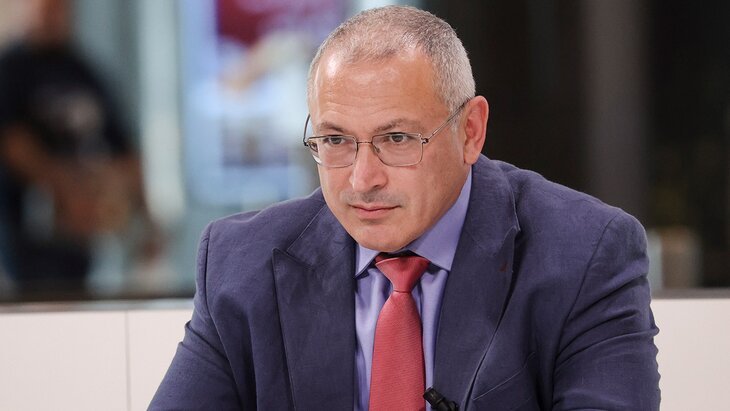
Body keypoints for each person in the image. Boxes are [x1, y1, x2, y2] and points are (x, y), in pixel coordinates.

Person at [151, 5, 660, 410]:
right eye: (335, 140)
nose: (362, 179)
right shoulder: (241, 266)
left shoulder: (584, 256)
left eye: (396, 139)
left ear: (470, 131)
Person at [0, 0, 157, 297]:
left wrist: (146, 216)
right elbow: (11, 141)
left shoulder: (84, 70)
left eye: (59, 6)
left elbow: (124, 147)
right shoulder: (10, 68)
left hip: (81, 234)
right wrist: (66, 187)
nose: (51, 13)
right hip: (27, 228)